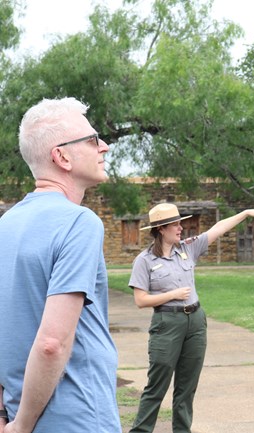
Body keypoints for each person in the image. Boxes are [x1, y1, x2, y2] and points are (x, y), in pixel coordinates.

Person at [0, 98, 120, 432]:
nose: (105, 147)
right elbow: (53, 343)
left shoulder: (5, 226)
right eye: (93, 139)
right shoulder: (79, 223)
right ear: (62, 156)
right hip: (79, 418)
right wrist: (23, 424)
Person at [128, 201, 254, 433]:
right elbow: (140, 300)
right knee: (157, 385)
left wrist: (244, 213)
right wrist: (172, 294)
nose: (180, 228)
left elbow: (218, 228)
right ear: (161, 229)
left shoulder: (188, 248)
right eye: (174, 224)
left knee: (186, 387)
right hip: (167, 324)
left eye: (179, 223)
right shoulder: (144, 261)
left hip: (195, 321)